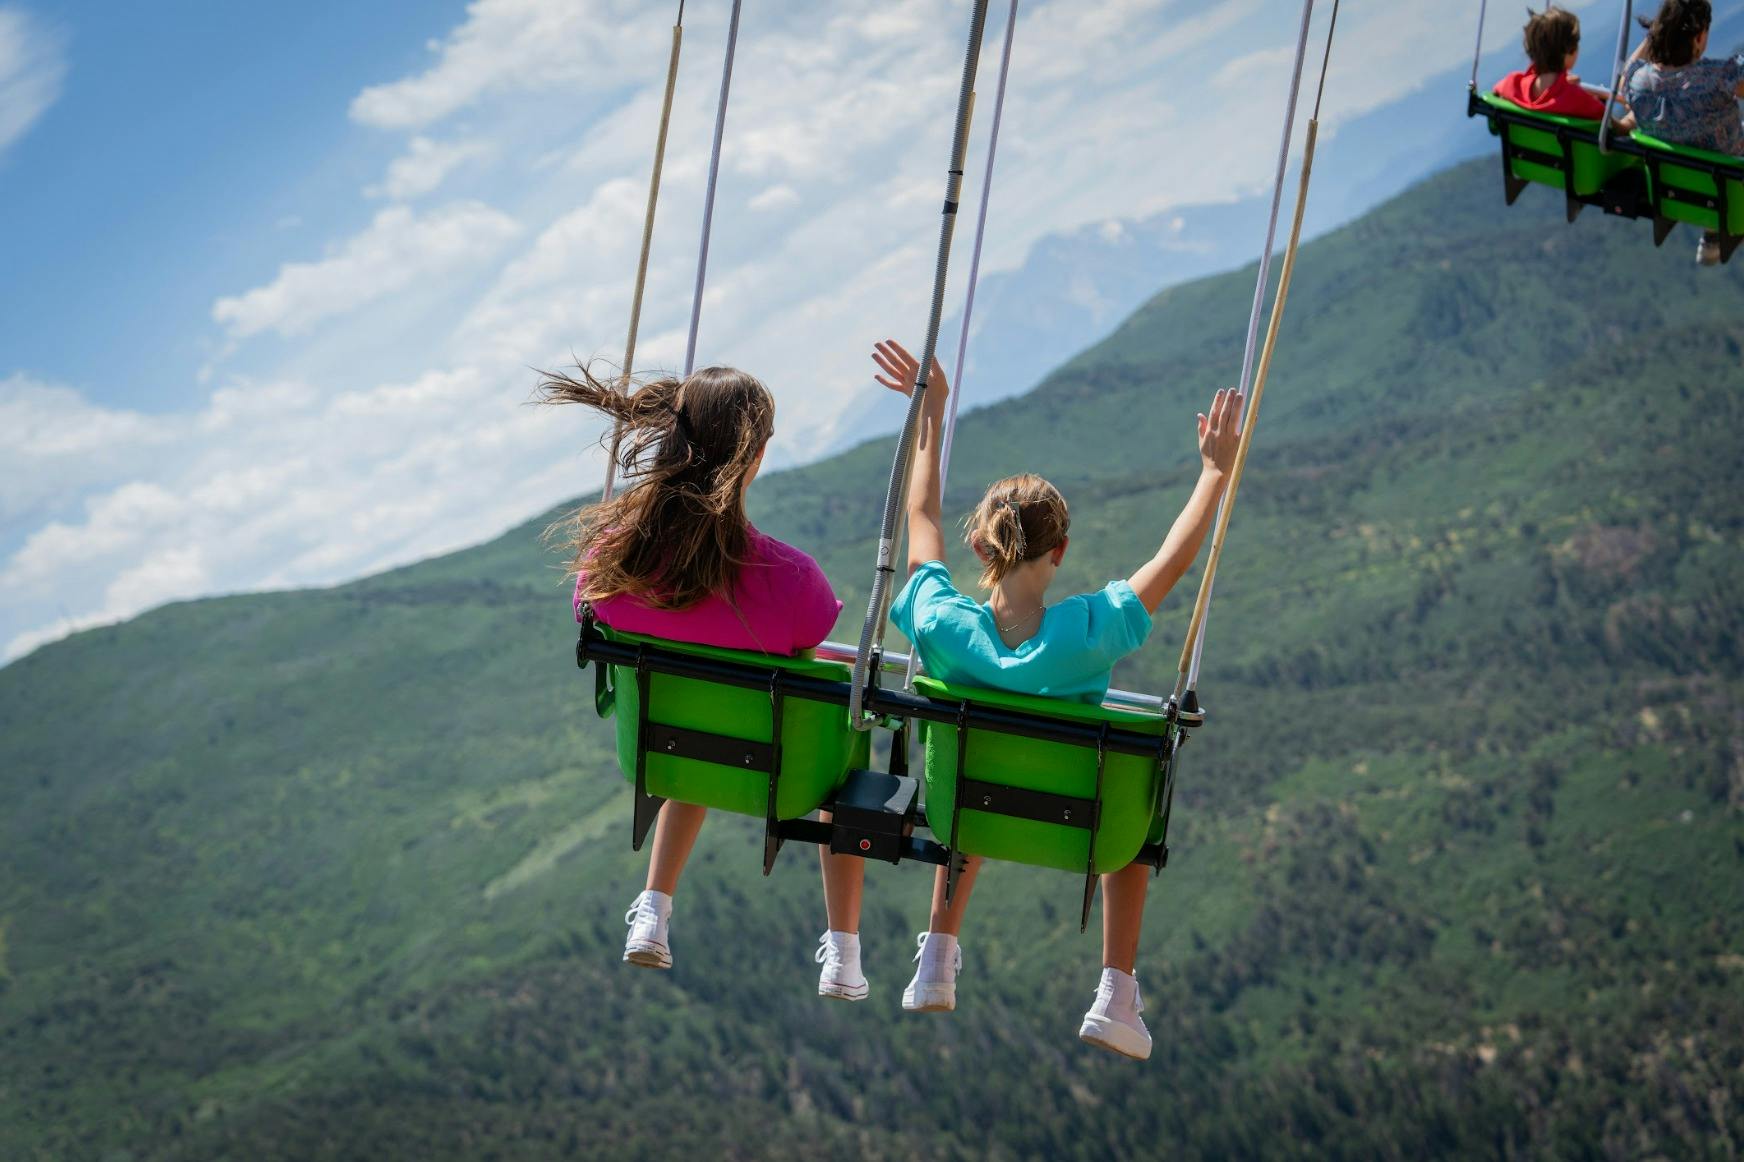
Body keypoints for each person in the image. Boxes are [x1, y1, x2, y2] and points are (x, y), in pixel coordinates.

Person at [869, 338, 1241, 1060]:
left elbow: (919, 520)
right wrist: (1214, 474)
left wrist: (932, 416)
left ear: (980, 547)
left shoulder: (942, 624)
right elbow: (1171, 559)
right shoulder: (1085, 634)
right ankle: (1115, 992)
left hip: (967, 811)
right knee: (1134, 816)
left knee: (976, 773)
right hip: (1085, 830)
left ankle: (939, 955)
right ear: (1060, 552)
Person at [539, 363, 871, 1000]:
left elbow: (595, 610)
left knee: (694, 713)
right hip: (784, 775)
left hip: (664, 752)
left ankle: (654, 907)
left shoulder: (612, 561)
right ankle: (844, 952)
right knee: (844, 716)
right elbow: (803, 643)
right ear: (757, 455)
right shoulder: (793, 581)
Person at [1620, 0, 1744, 263]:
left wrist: (1656, 33)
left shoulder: (1638, 85)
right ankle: (1713, 231)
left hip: (1678, 190)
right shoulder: (1718, 77)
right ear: (1699, 37)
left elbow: (1627, 72)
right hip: (1734, 184)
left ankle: (1711, 232)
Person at [1494, 6, 1625, 123]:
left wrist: (1562, 86)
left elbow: (1496, 92)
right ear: (1568, 51)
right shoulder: (1580, 101)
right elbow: (1614, 129)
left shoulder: (1512, 83)